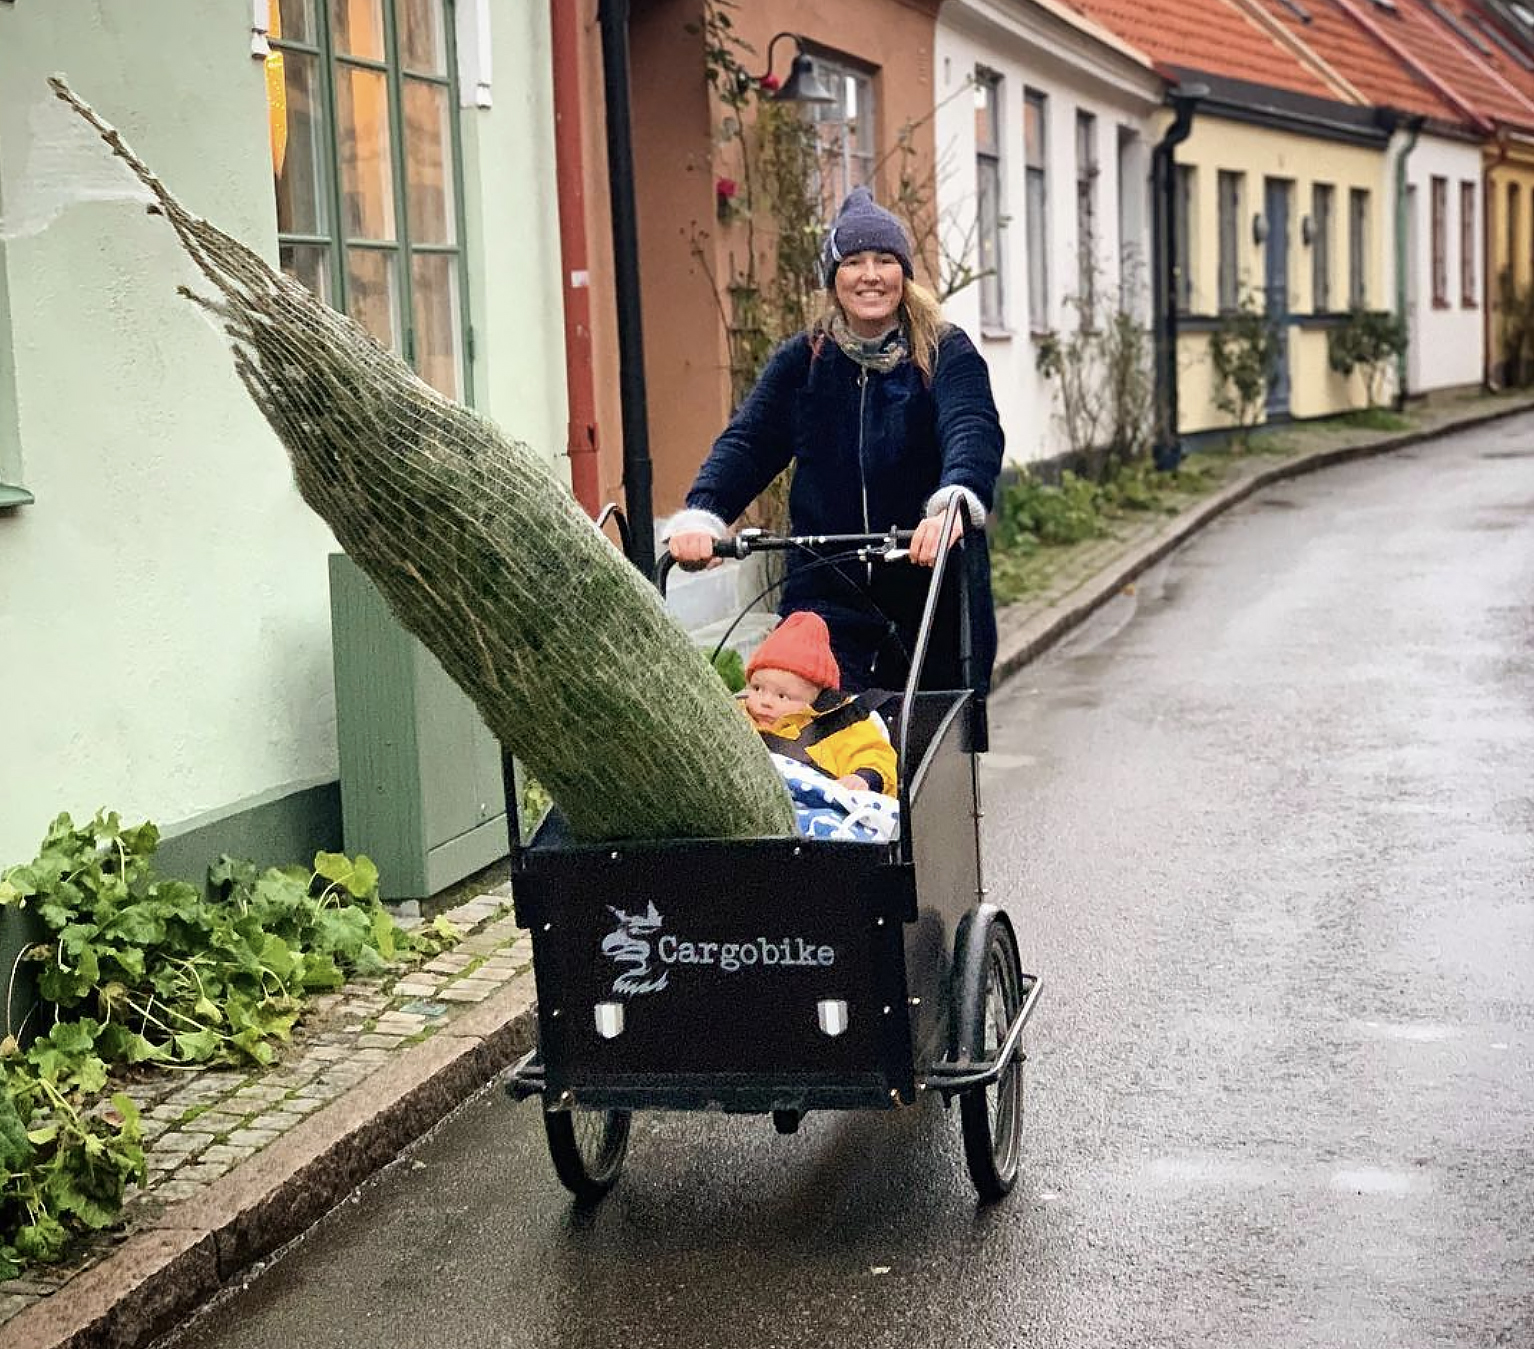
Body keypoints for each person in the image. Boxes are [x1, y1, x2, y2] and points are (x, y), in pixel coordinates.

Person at [665, 185, 1005, 694]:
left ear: (904, 275)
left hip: (928, 584)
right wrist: (705, 512)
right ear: (833, 278)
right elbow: (749, 442)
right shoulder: (805, 361)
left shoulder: (944, 352)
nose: (870, 275)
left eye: (885, 260)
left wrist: (955, 498)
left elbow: (971, 426)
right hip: (825, 588)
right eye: (854, 262)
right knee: (807, 724)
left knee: (921, 740)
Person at [740, 611, 897, 797]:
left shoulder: (842, 725)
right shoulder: (738, 717)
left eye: (782, 696)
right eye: (757, 688)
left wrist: (864, 777)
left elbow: (874, 754)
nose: (765, 702)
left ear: (817, 698)